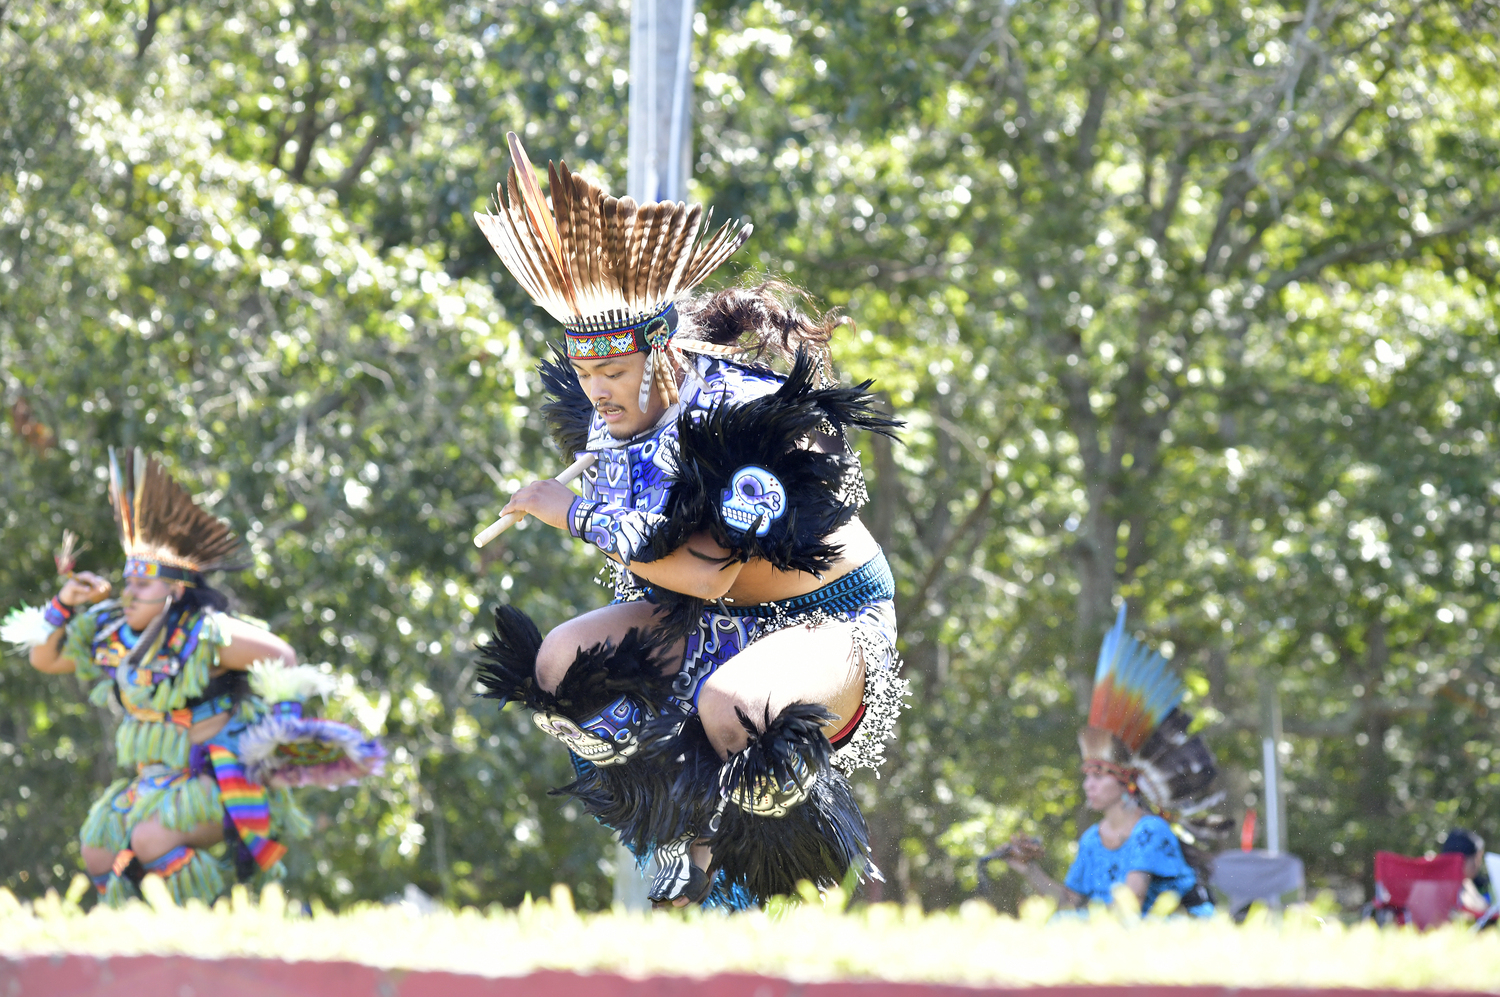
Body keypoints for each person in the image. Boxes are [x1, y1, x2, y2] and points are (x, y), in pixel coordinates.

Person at [470, 133, 906, 908]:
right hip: (705, 615)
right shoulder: (611, 416)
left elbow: (709, 570)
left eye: (613, 372)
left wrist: (571, 512)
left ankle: (787, 876)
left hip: (823, 622)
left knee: (731, 708)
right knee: (560, 668)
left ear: (662, 356)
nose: (598, 392)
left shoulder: (745, 424)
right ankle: (684, 828)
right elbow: (682, 582)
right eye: (585, 373)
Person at [1, 449, 384, 905]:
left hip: (215, 779)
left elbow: (281, 654)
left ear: (175, 590)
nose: (130, 593)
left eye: (143, 585)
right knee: (96, 850)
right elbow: (45, 658)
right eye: (128, 583)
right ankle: (134, 944)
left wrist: (278, 731)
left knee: (149, 841)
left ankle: (213, 917)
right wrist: (64, 603)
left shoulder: (207, 635)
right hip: (151, 780)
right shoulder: (108, 632)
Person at [1000, 605, 1222, 917]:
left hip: (1165, 930)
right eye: (1087, 776)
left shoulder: (1150, 831)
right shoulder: (1093, 839)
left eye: (1098, 777)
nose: (1087, 785)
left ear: (1125, 784)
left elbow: (1130, 905)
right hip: (1119, 925)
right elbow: (1070, 901)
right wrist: (1029, 870)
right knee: (1063, 921)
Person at [1439, 828, 1492, 921]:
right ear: (1463, 859)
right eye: (1477, 857)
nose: (1478, 864)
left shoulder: (1465, 883)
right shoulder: (1447, 888)